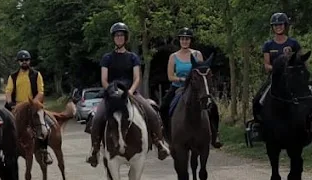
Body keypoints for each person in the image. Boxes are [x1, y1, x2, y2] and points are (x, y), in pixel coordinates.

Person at [87, 22, 169, 166]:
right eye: (117, 35)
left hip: (131, 92)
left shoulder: (133, 57)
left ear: (126, 38)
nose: (119, 38)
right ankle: (94, 149)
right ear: (113, 38)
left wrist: (130, 91)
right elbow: (104, 80)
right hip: (112, 93)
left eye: (121, 35)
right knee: (97, 116)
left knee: (151, 111)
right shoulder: (107, 58)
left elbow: (137, 77)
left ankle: (159, 143)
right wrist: (112, 91)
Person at [165, 27, 223, 149]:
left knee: (213, 106)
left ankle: (215, 134)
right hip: (179, 87)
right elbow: (170, 76)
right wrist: (183, 79)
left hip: (196, 88)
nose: (184, 41)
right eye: (182, 39)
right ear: (179, 40)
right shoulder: (173, 57)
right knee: (164, 107)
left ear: (190, 40)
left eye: (187, 39)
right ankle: (166, 135)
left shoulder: (197, 54)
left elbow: (202, 71)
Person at [255, 12, 302, 111]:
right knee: (258, 100)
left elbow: (300, 61)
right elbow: (267, 66)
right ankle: (257, 118)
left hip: (292, 78)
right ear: (272, 27)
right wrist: (278, 69)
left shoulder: (293, 43)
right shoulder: (268, 45)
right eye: (275, 25)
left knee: (309, 96)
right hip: (275, 79)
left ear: (285, 25)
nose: (278, 27)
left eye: (280, 24)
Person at [4, 50, 49, 147]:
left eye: (26, 60)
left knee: (45, 124)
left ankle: (43, 149)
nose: (24, 62)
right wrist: (10, 103)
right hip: (17, 106)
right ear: (18, 62)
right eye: (21, 60)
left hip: (33, 105)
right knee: (5, 125)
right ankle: (6, 149)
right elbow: (8, 91)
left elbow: (41, 92)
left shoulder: (37, 74)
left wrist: (33, 103)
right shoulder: (13, 76)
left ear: (29, 61)